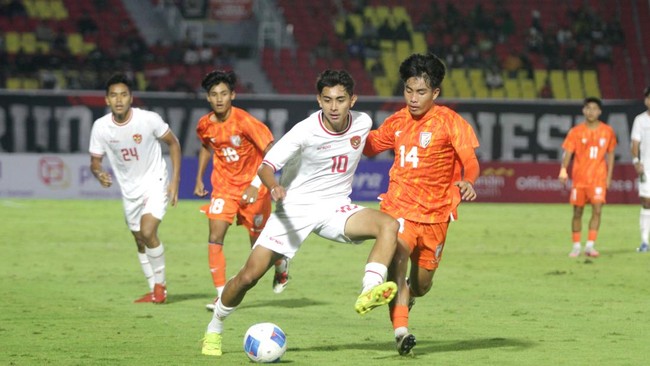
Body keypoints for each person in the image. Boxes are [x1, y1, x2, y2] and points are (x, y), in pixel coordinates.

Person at [201, 69, 399, 356]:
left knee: (388, 225)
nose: (334, 106)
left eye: (340, 100)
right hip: (294, 209)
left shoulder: (363, 122)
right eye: (328, 99)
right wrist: (274, 187)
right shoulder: (304, 131)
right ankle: (214, 327)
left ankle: (369, 290)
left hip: (335, 207)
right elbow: (266, 166)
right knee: (248, 277)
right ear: (319, 100)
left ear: (352, 100)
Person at [363, 53, 481, 356]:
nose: (413, 99)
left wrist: (469, 180)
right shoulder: (397, 121)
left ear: (435, 93)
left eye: (421, 92)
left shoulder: (451, 122)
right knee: (397, 267)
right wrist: (345, 132)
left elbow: (470, 160)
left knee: (422, 284)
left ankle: (407, 297)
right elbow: (371, 146)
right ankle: (402, 333)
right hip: (399, 209)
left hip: (437, 215)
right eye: (408, 90)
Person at [194, 70, 288, 311]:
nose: (219, 99)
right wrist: (199, 178)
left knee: (258, 243)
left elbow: (272, 150)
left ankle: (280, 264)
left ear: (232, 95)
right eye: (213, 94)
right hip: (224, 188)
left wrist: (257, 185)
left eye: (223, 94)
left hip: (253, 190)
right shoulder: (205, 124)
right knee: (215, 235)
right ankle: (221, 295)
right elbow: (206, 146)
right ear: (208, 98)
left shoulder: (245, 122)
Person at [89, 73, 181, 303]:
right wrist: (99, 173)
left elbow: (174, 143)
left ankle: (160, 287)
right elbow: (95, 161)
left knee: (148, 231)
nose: (118, 100)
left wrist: (174, 182)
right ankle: (153, 290)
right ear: (106, 100)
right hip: (129, 190)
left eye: (123, 95)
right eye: (113, 95)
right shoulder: (100, 127)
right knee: (139, 240)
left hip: (155, 182)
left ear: (131, 98)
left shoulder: (148, 120)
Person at [559, 97, 617, 258]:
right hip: (580, 179)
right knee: (577, 212)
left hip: (598, 178)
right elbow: (568, 153)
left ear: (599, 111)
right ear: (584, 110)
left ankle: (590, 246)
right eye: (588, 108)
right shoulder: (575, 132)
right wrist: (563, 170)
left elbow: (611, 154)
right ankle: (576, 246)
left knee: (597, 210)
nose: (591, 111)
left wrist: (609, 176)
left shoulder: (607, 131)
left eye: (594, 109)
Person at [630, 86, 650, 252]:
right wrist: (636, 161)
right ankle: (644, 241)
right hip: (647, 168)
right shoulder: (640, 120)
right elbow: (635, 143)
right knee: (646, 202)